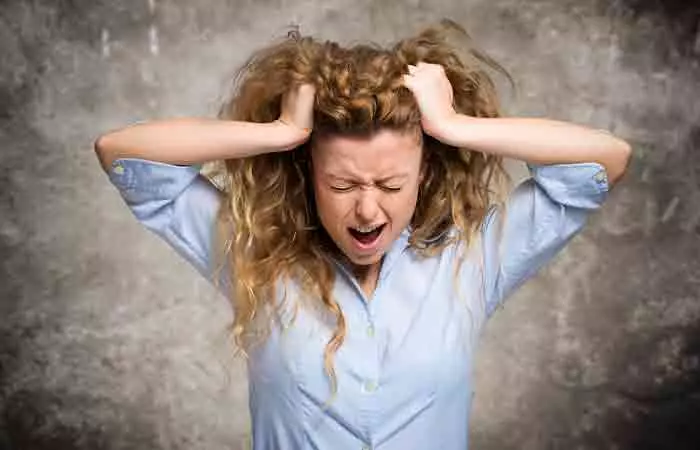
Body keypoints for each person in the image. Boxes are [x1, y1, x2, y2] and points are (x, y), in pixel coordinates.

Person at [94, 20, 631, 450]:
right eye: (343, 182)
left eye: (391, 183)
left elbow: (605, 161)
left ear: (422, 173)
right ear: (309, 174)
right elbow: (122, 153)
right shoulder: (257, 256)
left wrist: (454, 128)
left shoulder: (470, 260)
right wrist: (281, 133)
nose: (368, 208)